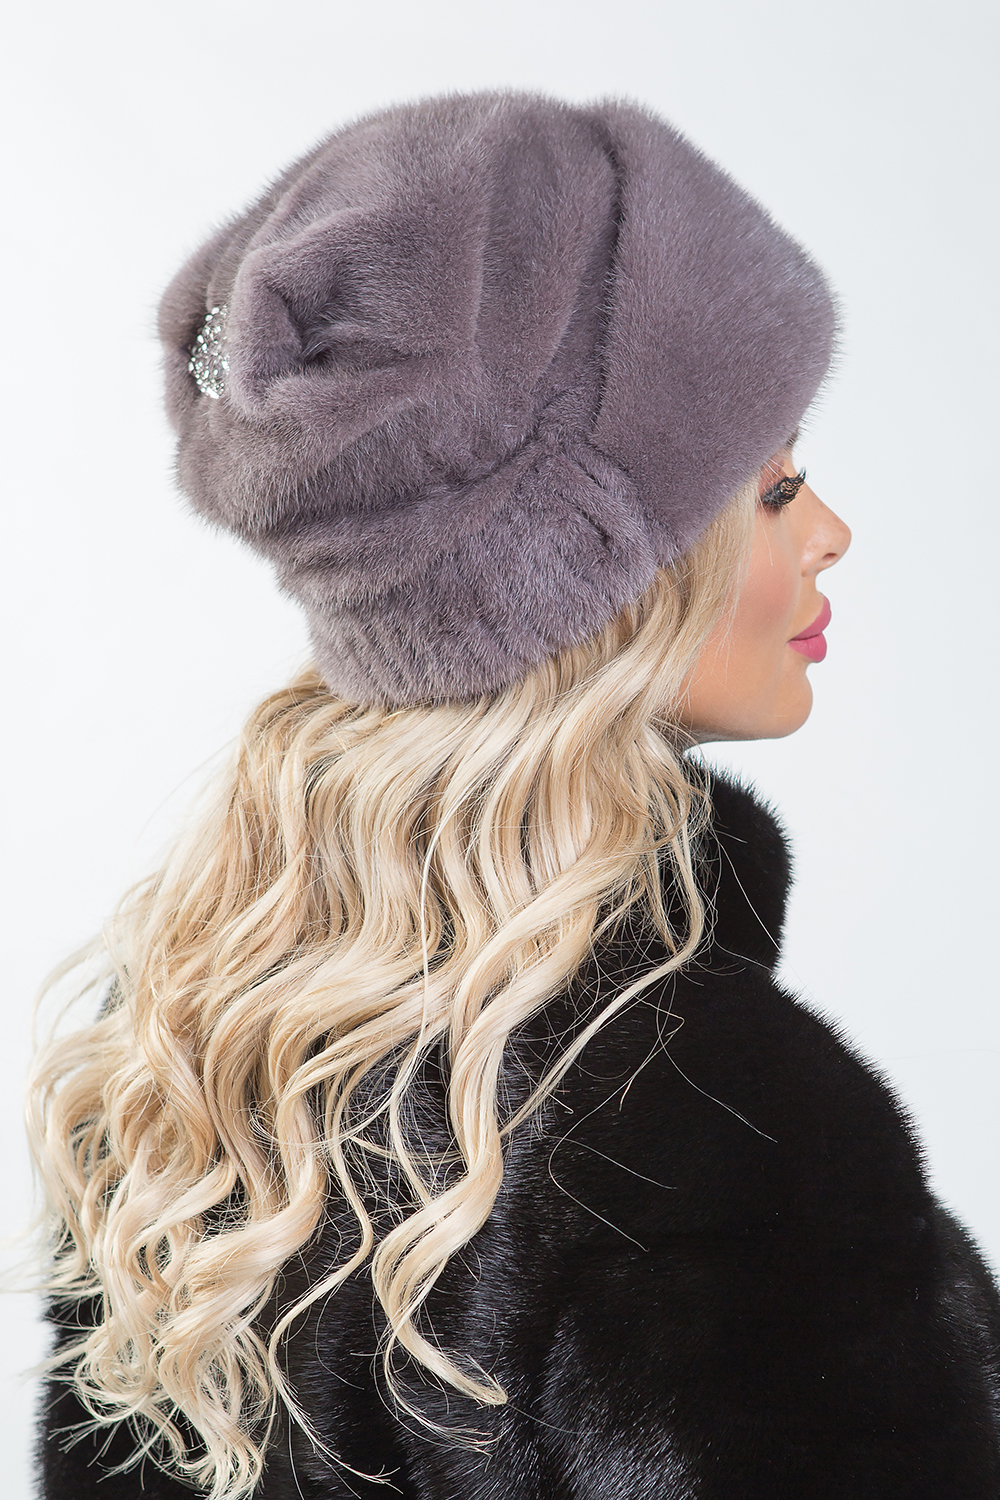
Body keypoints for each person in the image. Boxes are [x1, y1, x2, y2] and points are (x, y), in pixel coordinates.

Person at [31, 92, 1000, 1499]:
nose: (833, 533)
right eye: (776, 492)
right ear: (600, 574)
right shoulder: (718, 1122)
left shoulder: (191, 1063)